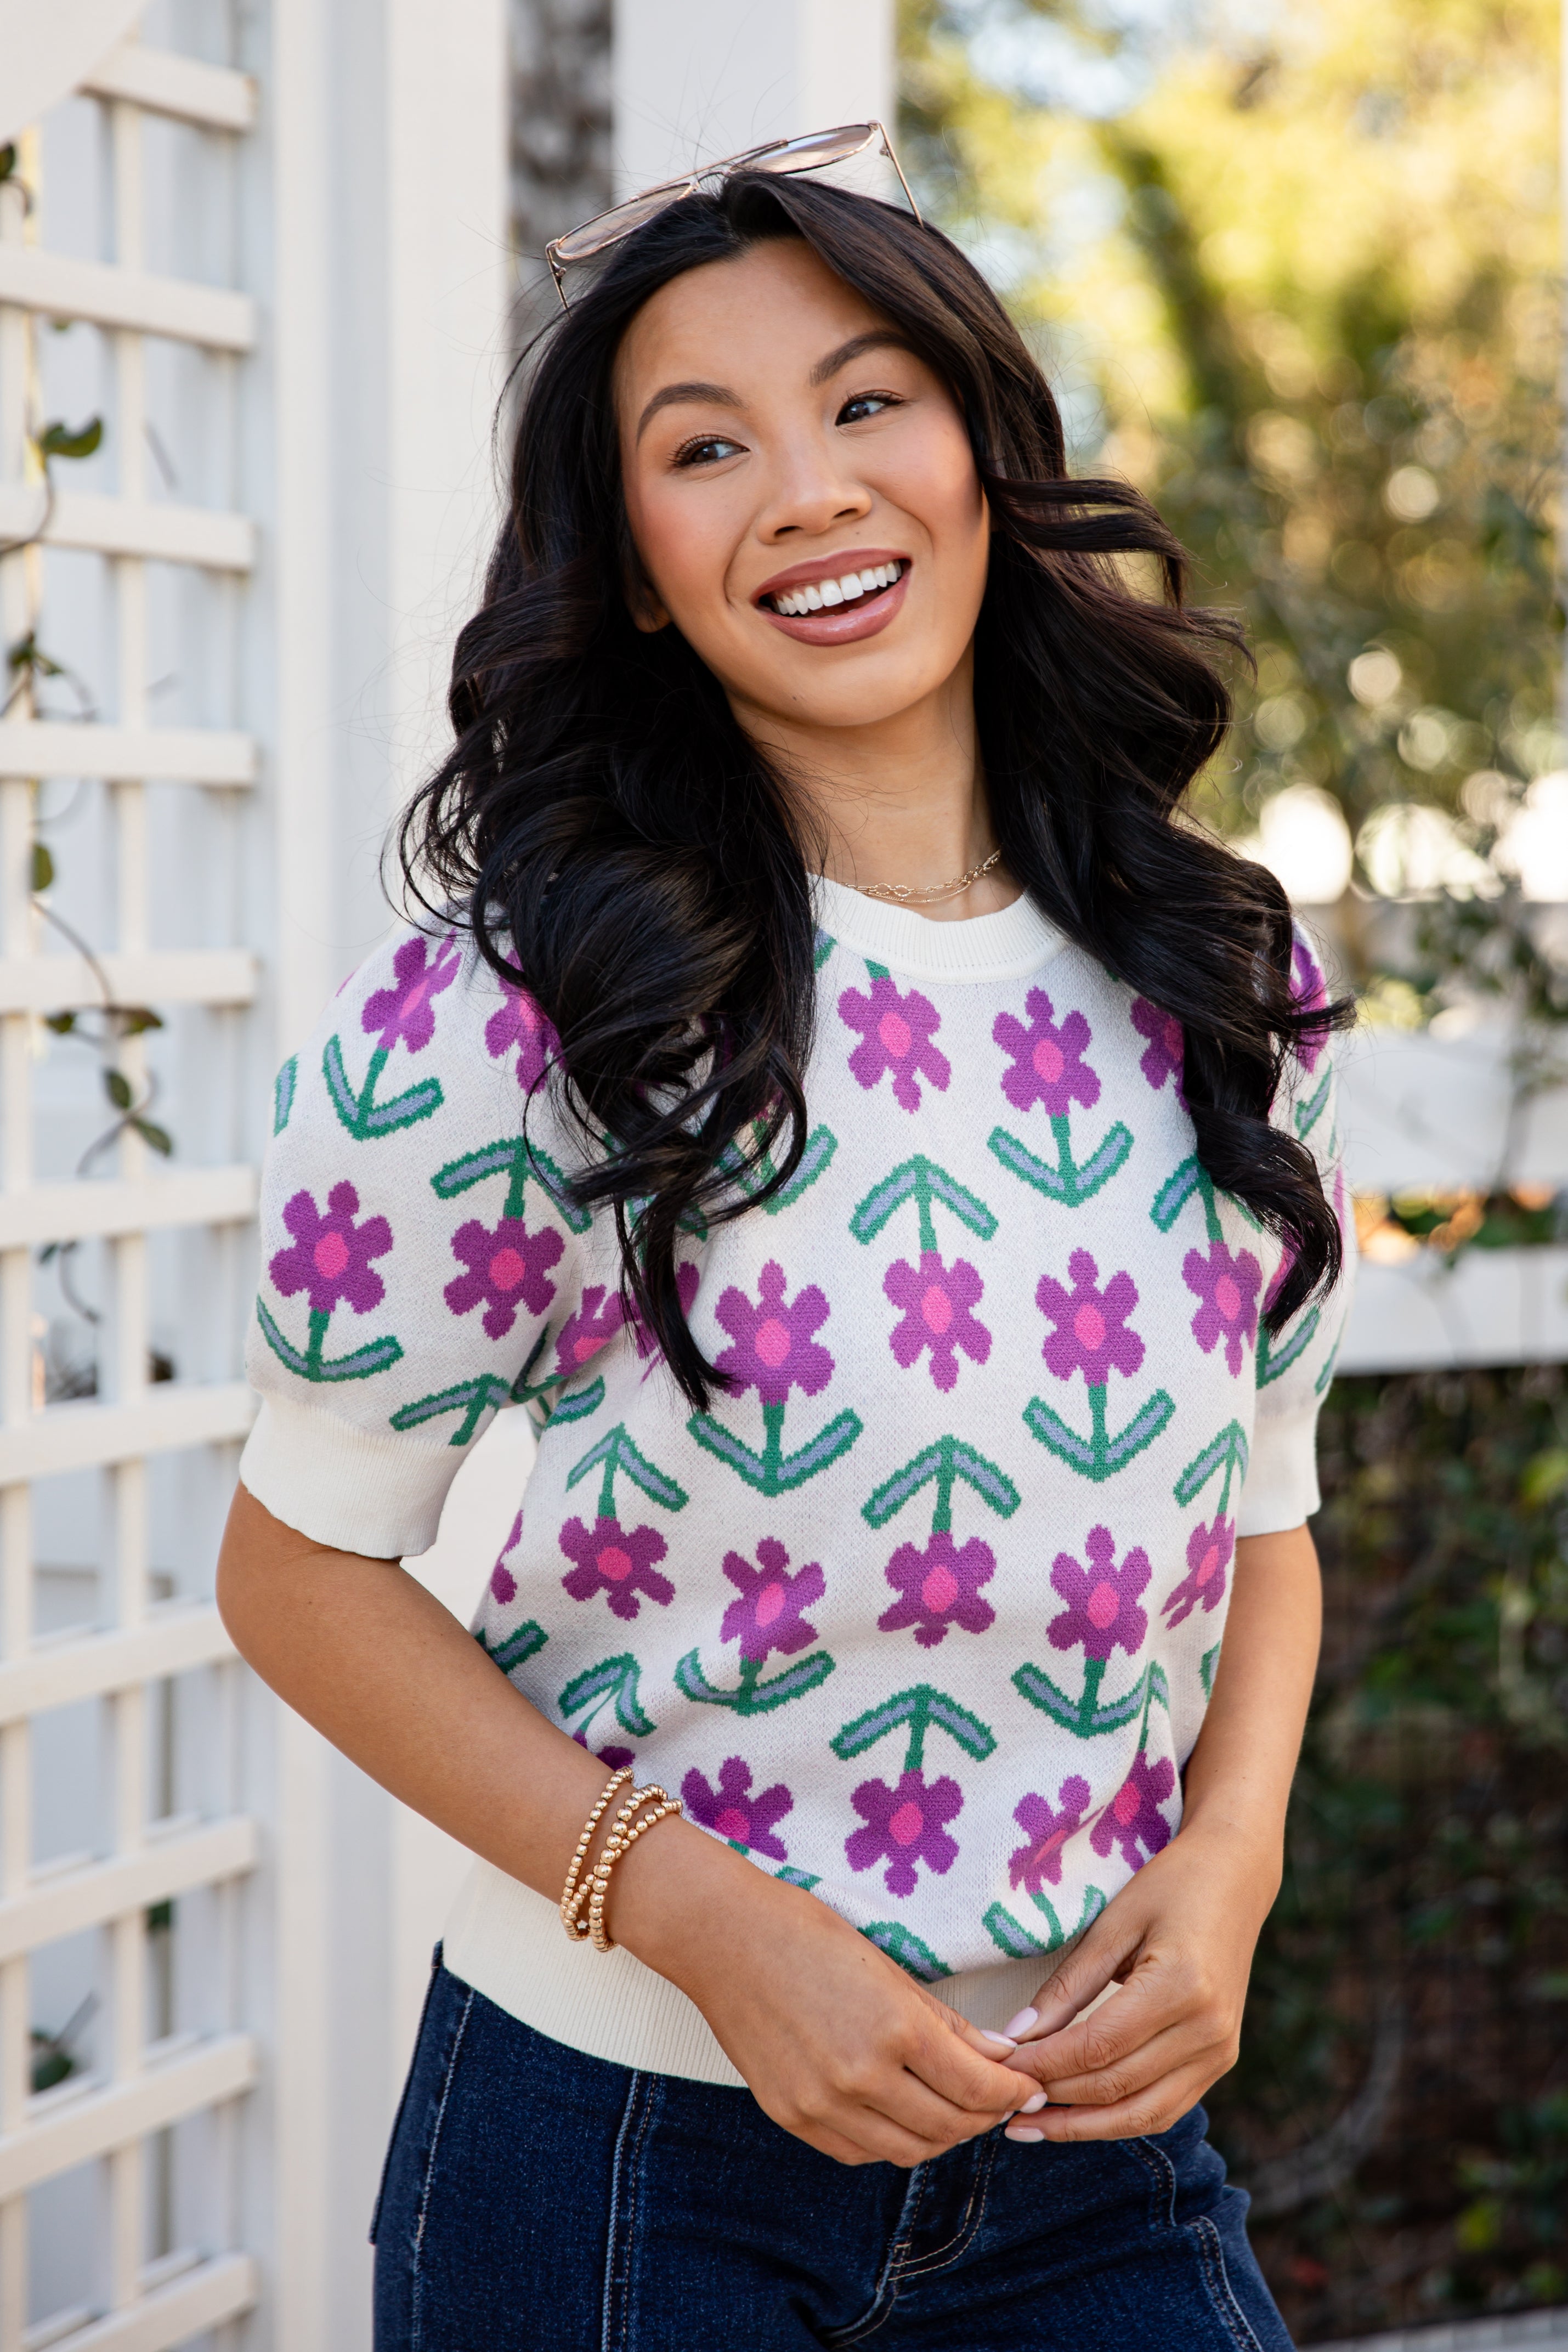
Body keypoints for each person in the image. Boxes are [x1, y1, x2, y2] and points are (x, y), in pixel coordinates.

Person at [217, 136, 1354, 2350]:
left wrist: (1229, 1870)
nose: (809, 489)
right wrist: (703, 1921)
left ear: (979, 452)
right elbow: (299, 1568)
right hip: (623, 2165)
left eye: (864, 403)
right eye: (704, 446)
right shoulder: (520, 1010)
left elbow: (1267, 1513)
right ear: (634, 567)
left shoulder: (1225, 979)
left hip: (1090, 2157)